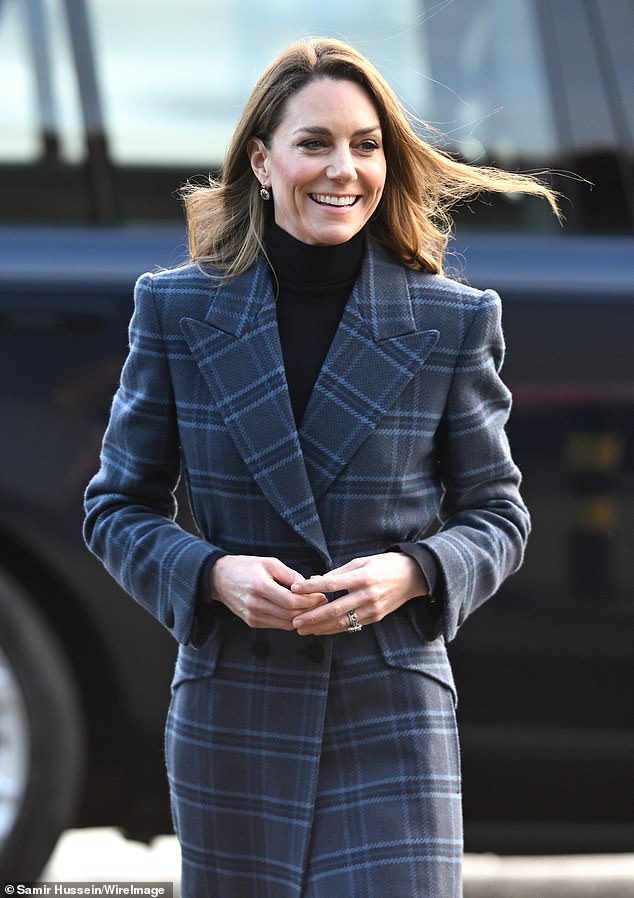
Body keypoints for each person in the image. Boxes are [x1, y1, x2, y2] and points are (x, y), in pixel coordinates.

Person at [84, 37, 559, 898]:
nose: (344, 169)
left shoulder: (451, 320)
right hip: (236, 710)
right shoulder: (178, 307)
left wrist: (413, 573)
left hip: (390, 708)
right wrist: (212, 574)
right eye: (315, 143)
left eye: (366, 144)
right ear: (262, 162)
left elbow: (499, 515)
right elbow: (117, 505)